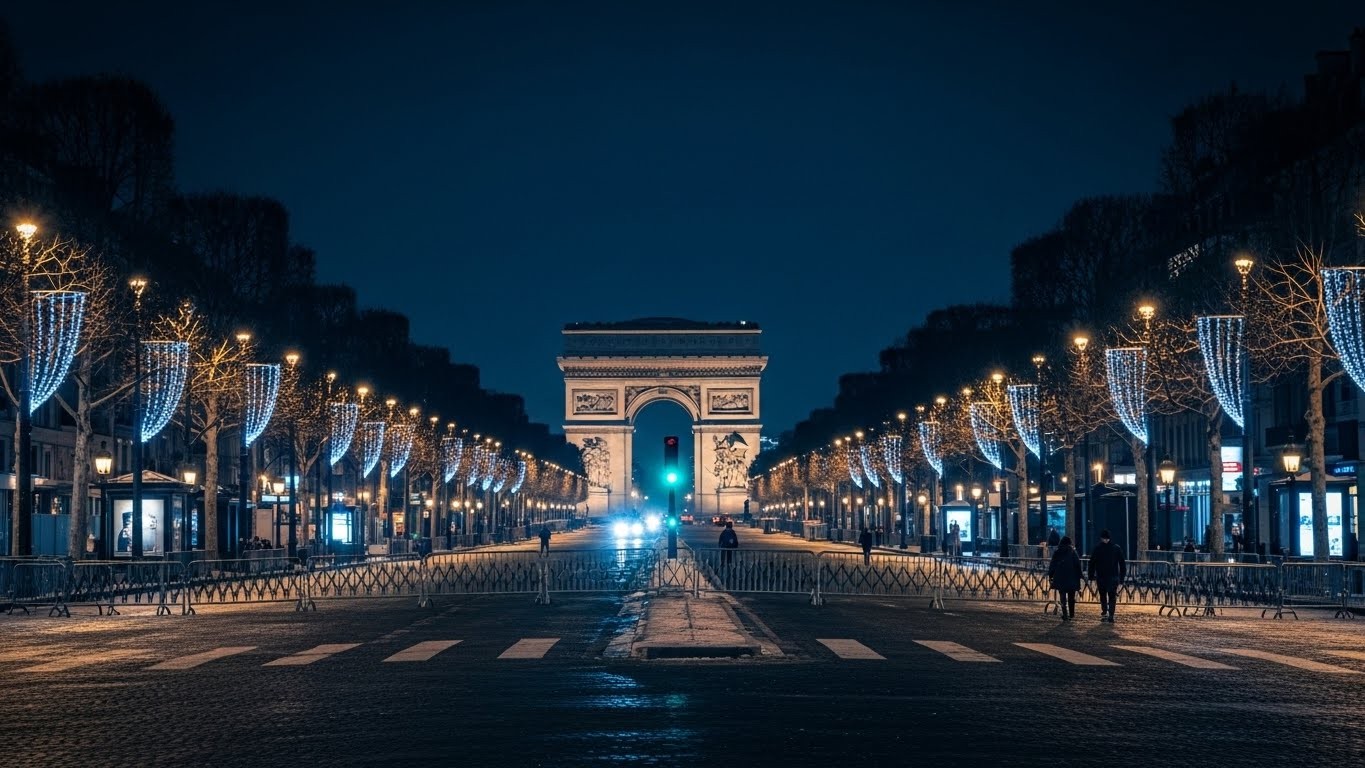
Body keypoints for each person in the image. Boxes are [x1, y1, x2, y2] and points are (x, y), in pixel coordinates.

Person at [1087, 529, 1127, 622]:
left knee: (1103, 595)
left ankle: (1105, 611)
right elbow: (1122, 564)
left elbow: (1092, 562)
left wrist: (1091, 575)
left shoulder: (1097, 548)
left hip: (1101, 576)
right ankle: (1111, 614)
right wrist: (1121, 578)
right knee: (1112, 596)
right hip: (1113, 576)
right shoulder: (1116, 548)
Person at [1048, 535, 1083, 620]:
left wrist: (1051, 575)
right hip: (1072, 578)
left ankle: (1065, 614)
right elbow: (1077, 565)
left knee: (1062, 597)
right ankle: (1071, 614)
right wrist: (1080, 575)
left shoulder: (1057, 552)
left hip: (1061, 578)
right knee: (1071, 597)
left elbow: (1053, 565)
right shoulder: (1073, 552)